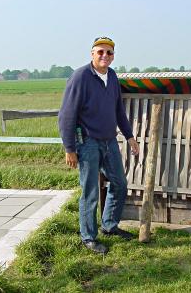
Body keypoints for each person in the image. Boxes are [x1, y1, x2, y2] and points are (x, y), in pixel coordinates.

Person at [58, 36, 139, 254]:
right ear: (92, 54)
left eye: (109, 53)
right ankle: (88, 237)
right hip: (87, 142)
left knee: (120, 183)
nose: (105, 56)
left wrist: (129, 136)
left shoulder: (112, 76)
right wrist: (69, 148)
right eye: (100, 52)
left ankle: (110, 226)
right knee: (91, 190)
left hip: (109, 140)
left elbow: (118, 110)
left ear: (113, 56)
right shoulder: (81, 77)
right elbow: (66, 115)